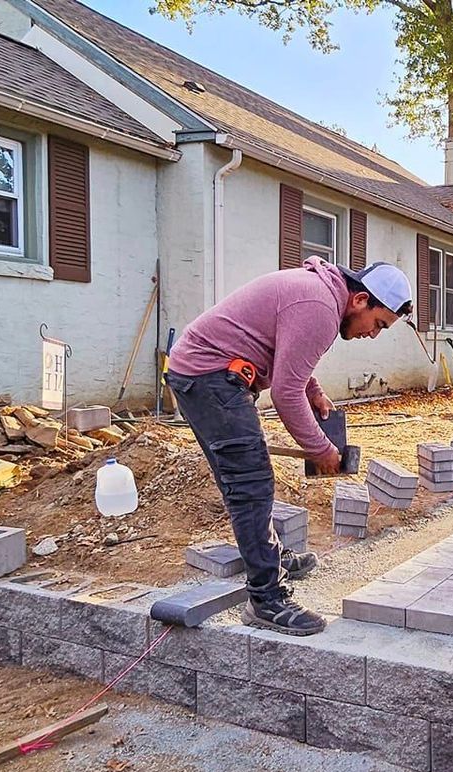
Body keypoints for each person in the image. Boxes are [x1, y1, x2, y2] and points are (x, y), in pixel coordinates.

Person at [165, 256, 413, 635]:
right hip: (209, 377)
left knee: (245, 475)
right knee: (250, 481)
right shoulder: (319, 306)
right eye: (378, 324)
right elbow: (284, 392)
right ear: (361, 300)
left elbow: (291, 355)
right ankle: (267, 599)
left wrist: (314, 392)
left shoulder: (322, 295)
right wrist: (321, 449)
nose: (373, 334)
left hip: (208, 374)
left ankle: (269, 557)